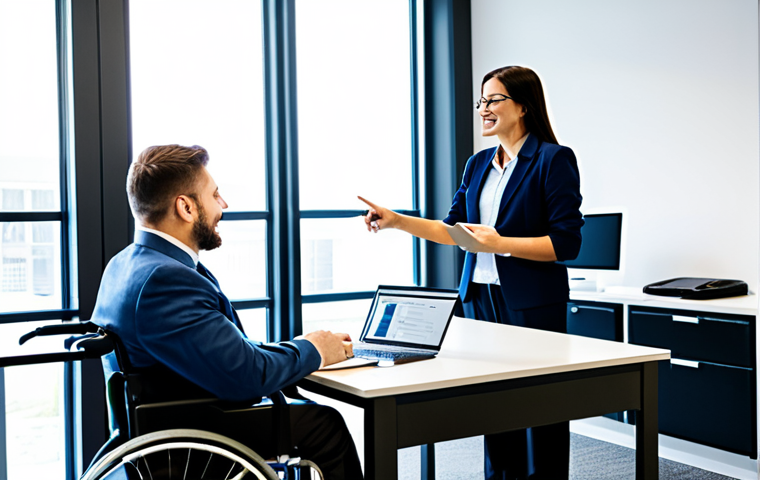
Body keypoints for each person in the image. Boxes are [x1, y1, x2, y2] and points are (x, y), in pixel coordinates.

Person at [359, 66, 583, 480]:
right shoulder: (478, 163)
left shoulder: (553, 159)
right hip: (479, 297)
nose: (483, 108)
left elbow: (566, 244)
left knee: (542, 406)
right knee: (494, 405)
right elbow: (453, 230)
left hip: (532, 302)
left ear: (523, 107)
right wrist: (396, 220)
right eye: (481, 101)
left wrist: (502, 244)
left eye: (493, 100)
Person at [91, 144, 363, 480]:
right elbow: (245, 377)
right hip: (193, 432)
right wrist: (315, 350)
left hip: (171, 415)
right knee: (324, 424)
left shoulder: (126, 265)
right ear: (186, 207)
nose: (224, 205)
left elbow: (221, 351)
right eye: (215, 195)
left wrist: (301, 345)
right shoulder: (167, 279)